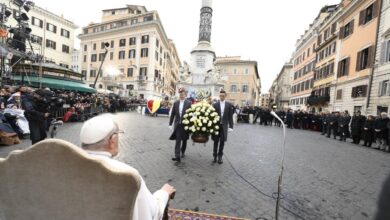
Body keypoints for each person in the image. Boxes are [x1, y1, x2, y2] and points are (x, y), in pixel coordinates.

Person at [80, 114, 176, 220]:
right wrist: (163, 193)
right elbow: (151, 212)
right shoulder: (126, 175)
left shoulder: (65, 170)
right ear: (112, 140)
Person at [168, 88, 192, 163]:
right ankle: (177, 156)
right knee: (178, 140)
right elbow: (173, 114)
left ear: (185, 94)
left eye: (183, 94)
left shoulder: (189, 103)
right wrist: (170, 123)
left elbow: (190, 114)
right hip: (177, 124)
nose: (181, 95)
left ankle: (183, 151)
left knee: (184, 140)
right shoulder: (176, 103)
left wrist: (190, 124)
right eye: (180, 94)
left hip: (185, 125)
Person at [212, 90, 234, 164]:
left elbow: (230, 117)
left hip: (224, 127)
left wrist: (231, 126)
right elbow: (212, 116)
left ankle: (220, 157)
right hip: (216, 126)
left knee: (222, 142)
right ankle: (214, 156)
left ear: (225, 96)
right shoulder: (215, 105)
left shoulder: (228, 105)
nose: (221, 97)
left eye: (223, 96)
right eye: (220, 96)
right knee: (215, 142)